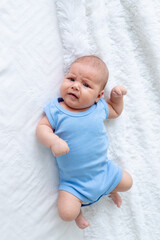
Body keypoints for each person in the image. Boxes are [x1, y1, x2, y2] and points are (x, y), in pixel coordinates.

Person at [36, 55, 133, 229]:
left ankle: (110, 190)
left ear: (98, 96)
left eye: (86, 84)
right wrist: (53, 141)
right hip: (74, 183)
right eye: (71, 79)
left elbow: (116, 111)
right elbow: (42, 128)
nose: (75, 85)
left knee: (128, 182)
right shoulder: (57, 110)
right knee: (66, 213)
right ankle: (78, 211)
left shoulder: (99, 108)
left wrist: (117, 98)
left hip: (104, 171)